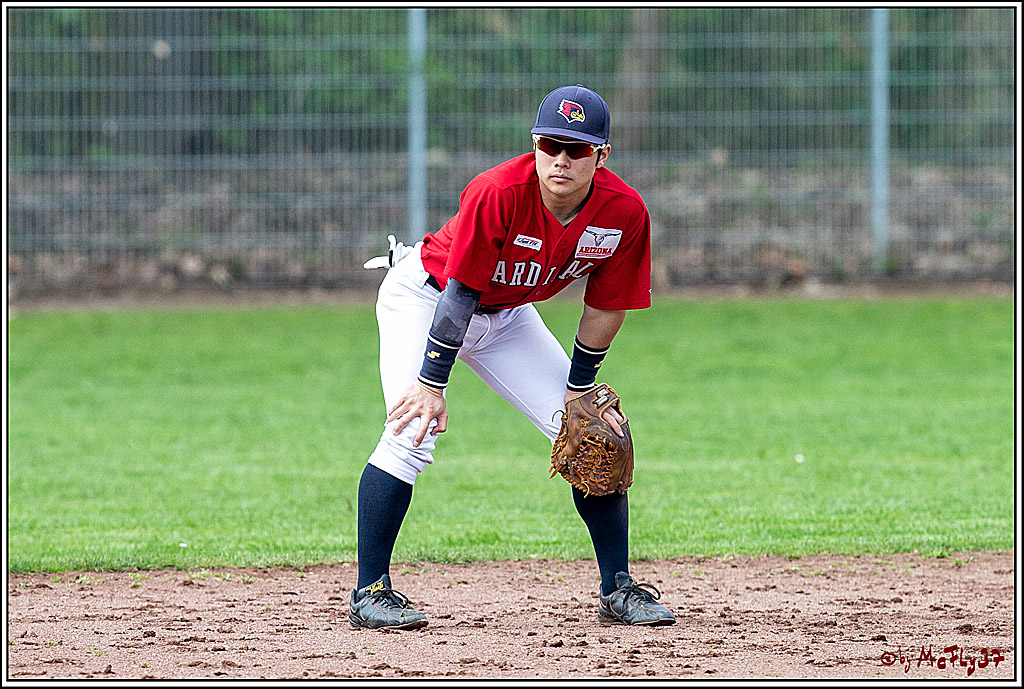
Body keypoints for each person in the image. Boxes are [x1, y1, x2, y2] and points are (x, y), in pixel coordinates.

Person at [350, 85, 676, 629]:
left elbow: (606, 305)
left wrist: (580, 388)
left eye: (577, 148)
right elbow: (459, 294)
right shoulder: (498, 191)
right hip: (428, 298)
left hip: (508, 316)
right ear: (534, 144)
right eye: (551, 144)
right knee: (411, 429)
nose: (562, 159)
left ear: (602, 155)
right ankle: (370, 591)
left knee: (594, 436)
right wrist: (432, 382)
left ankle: (617, 588)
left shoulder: (623, 212)